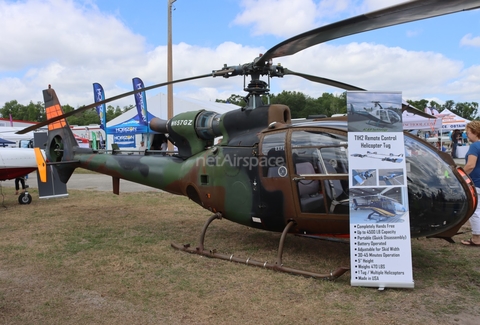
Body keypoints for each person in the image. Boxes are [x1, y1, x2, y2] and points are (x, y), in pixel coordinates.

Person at [461, 121, 480, 246]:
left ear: (474, 132)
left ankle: (476, 238)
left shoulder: (474, 146)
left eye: (468, 132)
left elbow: (471, 165)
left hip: (476, 183)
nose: (467, 135)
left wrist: (459, 175)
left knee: (475, 211)